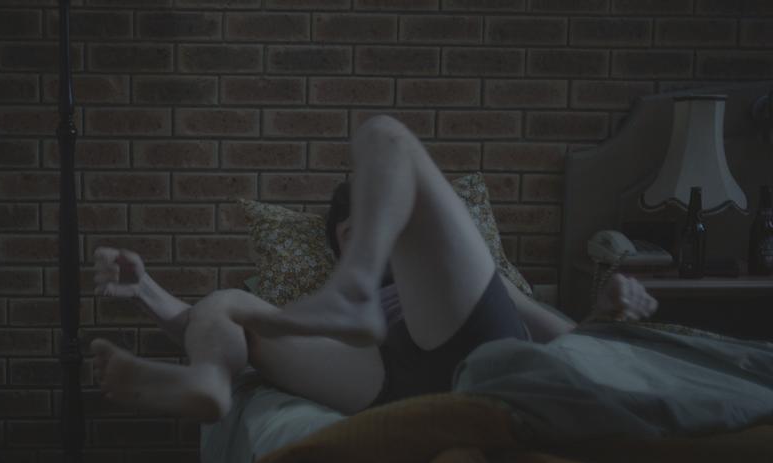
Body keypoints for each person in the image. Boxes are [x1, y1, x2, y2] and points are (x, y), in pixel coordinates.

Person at [90, 116, 658, 422]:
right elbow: (206, 327)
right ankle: (207, 384)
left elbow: (567, 344)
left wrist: (604, 315)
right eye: (350, 234)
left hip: (477, 359)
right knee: (228, 304)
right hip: (374, 376)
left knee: (386, 138)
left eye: (376, 223)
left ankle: (354, 292)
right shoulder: (310, 313)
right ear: (340, 253)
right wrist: (145, 289)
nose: (367, 235)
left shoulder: (466, 280)